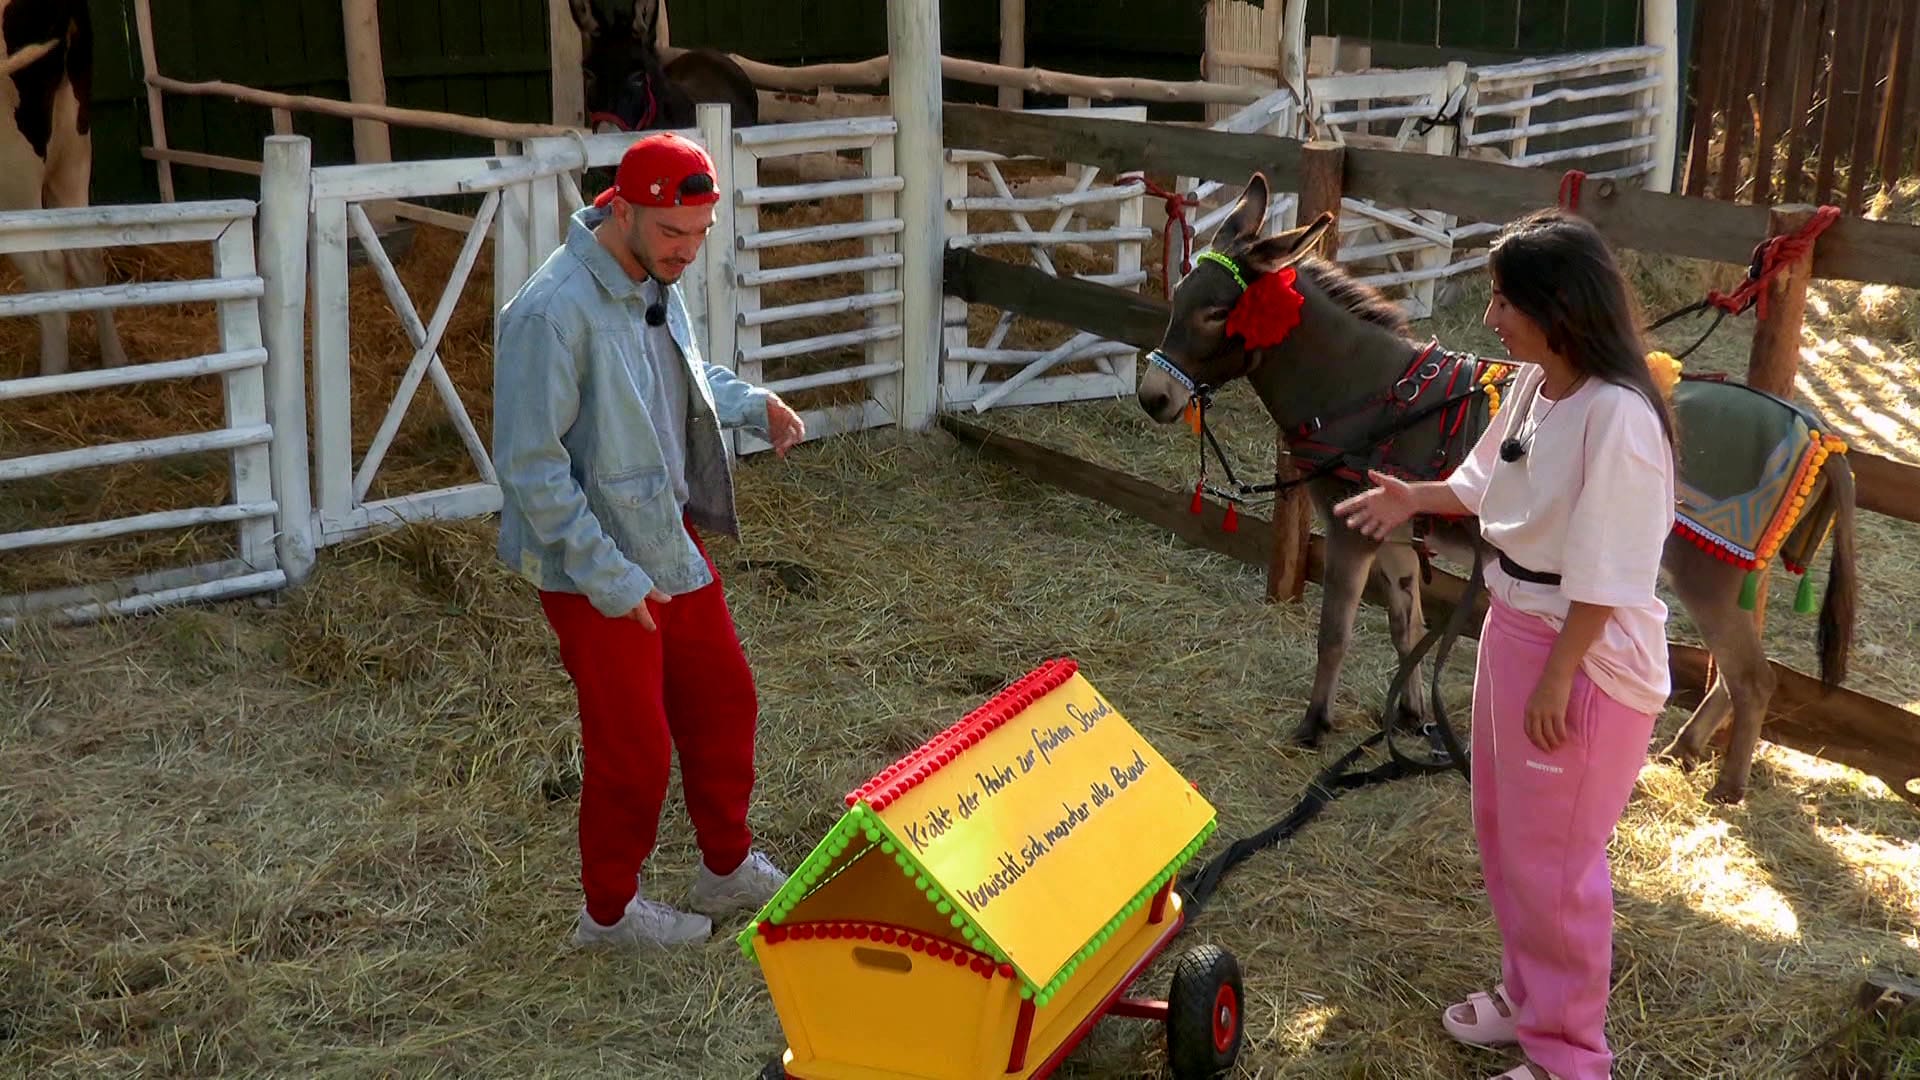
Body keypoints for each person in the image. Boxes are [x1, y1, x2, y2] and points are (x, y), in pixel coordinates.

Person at [1334, 208, 1676, 1080]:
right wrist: (1414, 498)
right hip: (1516, 624)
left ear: (1557, 307)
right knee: (1506, 834)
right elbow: (1488, 476)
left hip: (1582, 654)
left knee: (1554, 862)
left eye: (1503, 300)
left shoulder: (1619, 416)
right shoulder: (1535, 384)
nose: (1489, 318)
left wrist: (1559, 677)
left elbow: (1612, 568)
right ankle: (1531, 1002)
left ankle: (1570, 1056)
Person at [492, 131, 807, 949]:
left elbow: (679, 379)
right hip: (588, 561)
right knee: (634, 744)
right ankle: (608, 915)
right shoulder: (549, 312)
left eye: (700, 235)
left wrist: (752, 405)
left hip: (664, 529)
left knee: (724, 698)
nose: (688, 251)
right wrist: (611, 578)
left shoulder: (655, 275)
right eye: (673, 233)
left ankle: (725, 865)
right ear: (621, 209)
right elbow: (530, 471)